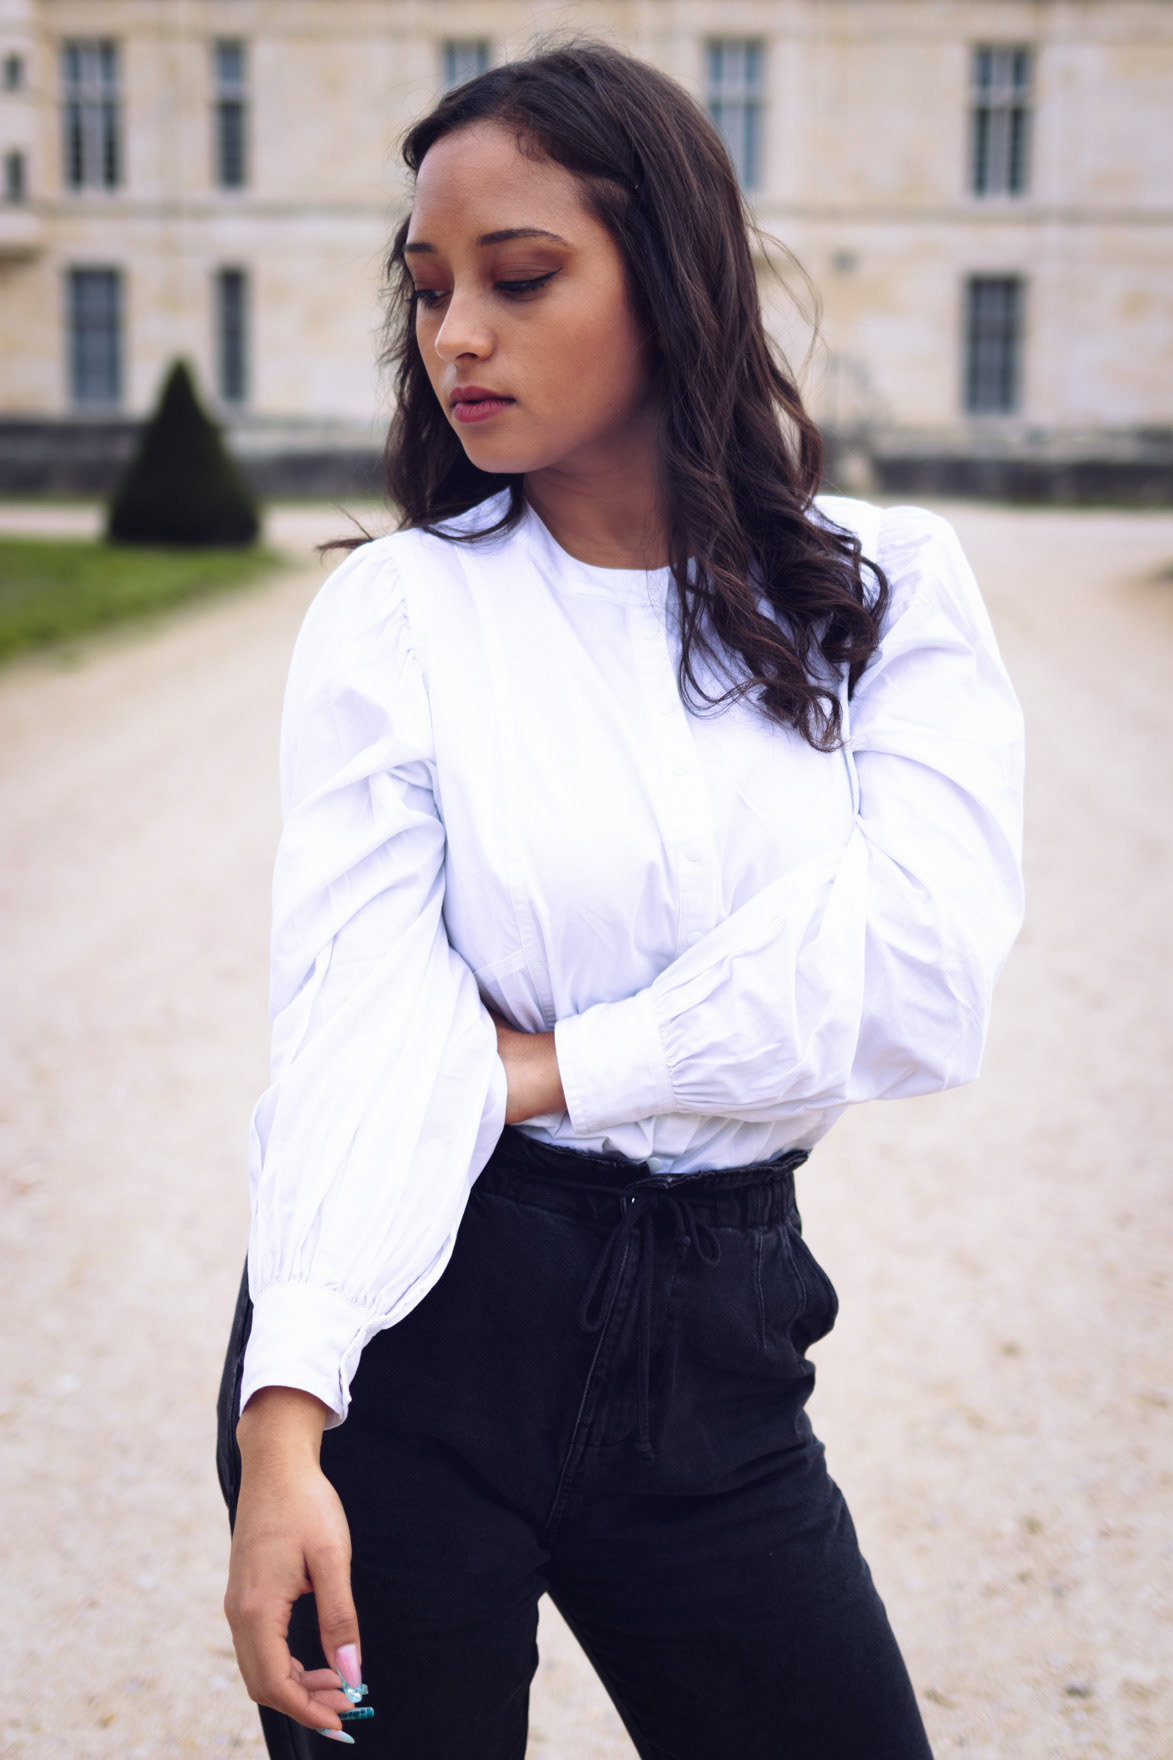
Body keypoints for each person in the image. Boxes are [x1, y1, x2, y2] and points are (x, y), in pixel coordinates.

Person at [218, 41, 1024, 1760]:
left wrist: (542, 1061)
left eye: (519, 278)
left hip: (718, 1355)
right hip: (413, 1339)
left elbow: (915, 983)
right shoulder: (399, 621)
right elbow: (362, 1016)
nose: (456, 337)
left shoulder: (883, 594)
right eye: (428, 290)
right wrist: (282, 1423)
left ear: (668, 277)